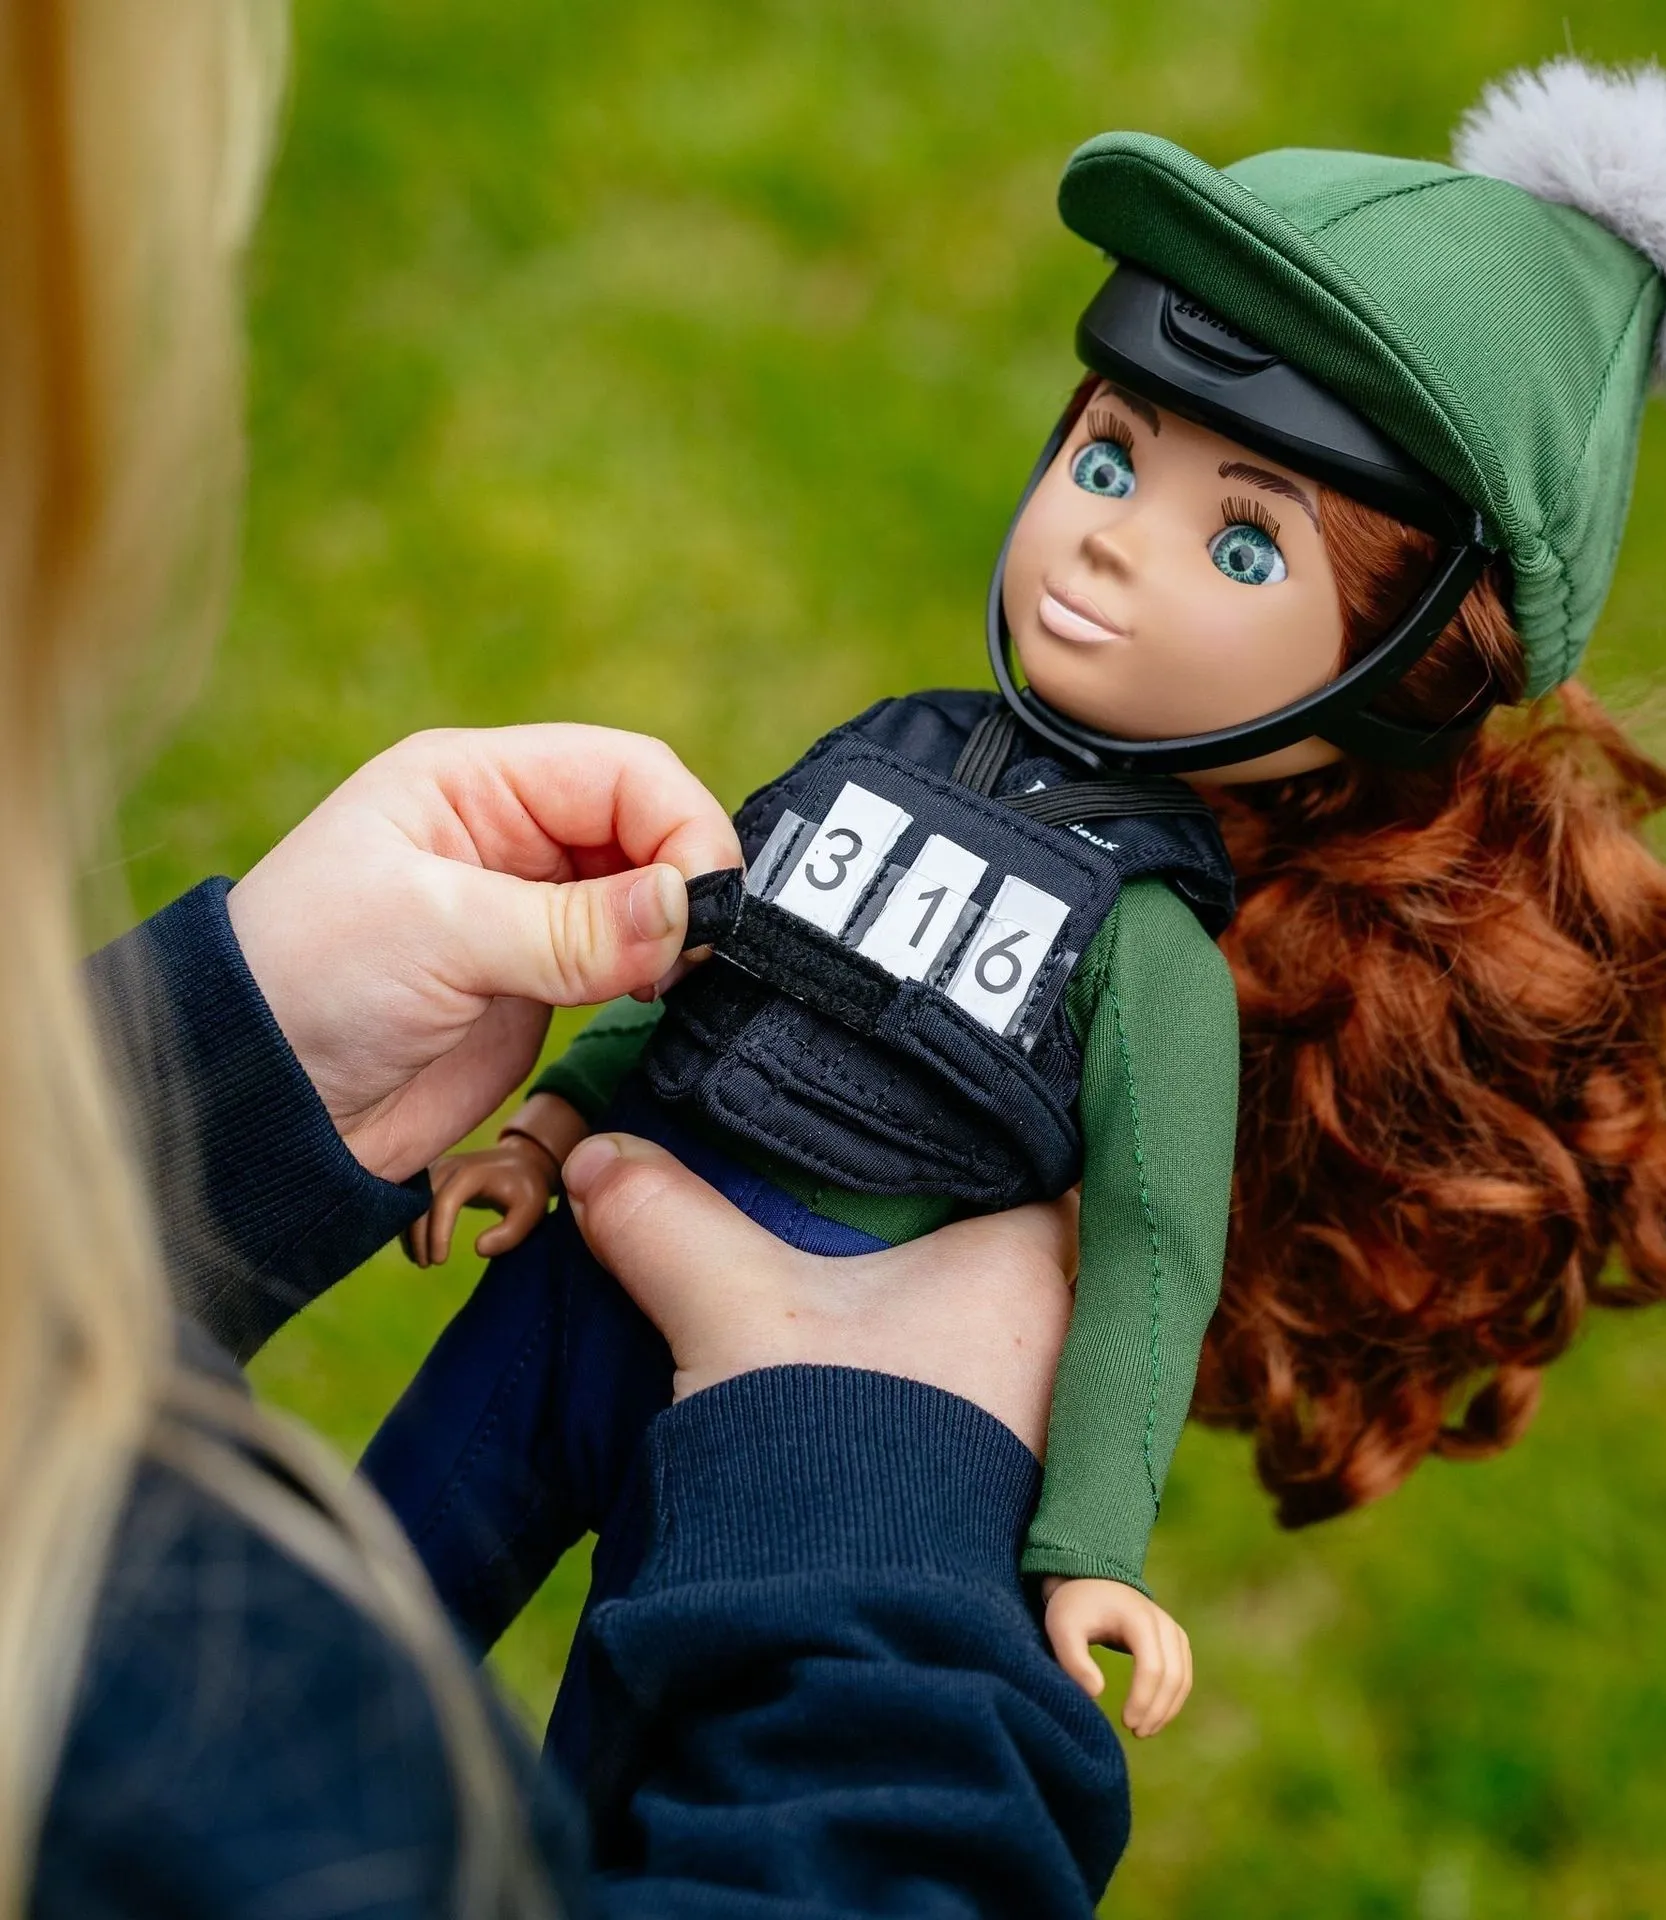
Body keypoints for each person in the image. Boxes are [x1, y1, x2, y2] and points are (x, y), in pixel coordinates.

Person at [376, 54, 1666, 1772]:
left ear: (1400, 672)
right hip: (566, 1292)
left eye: (1248, 545)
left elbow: (1148, 1257)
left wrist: (1089, 1549)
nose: (1111, 542)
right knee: (349, 1616)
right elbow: (716, 951)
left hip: (807, 1407)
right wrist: (550, 1121)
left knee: (643, 1770)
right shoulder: (890, 750)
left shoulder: (1147, 948)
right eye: (1114, 455)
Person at [5, 5, 1131, 1915]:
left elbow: (1160, 1245)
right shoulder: (216, 1800)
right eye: (1107, 458)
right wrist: (883, 1533)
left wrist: (213, 1076)